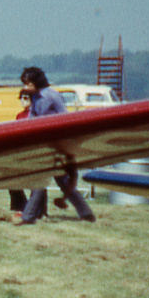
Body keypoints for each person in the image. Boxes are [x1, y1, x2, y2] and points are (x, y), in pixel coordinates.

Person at [16, 66, 95, 225]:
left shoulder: (52, 96)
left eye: (27, 83)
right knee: (61, 181)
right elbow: (32, 120)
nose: (25, 87)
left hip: (56, 144)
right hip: (45, 144)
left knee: (41, 179)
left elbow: (64, 117)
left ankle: (28, 216)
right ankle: (86, 213)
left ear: (35, 82)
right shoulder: (36, 98)